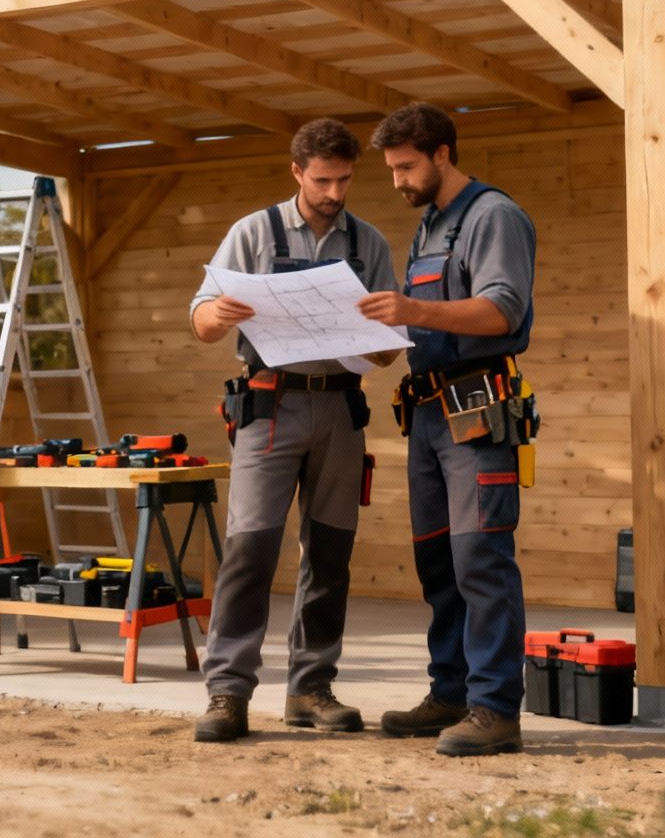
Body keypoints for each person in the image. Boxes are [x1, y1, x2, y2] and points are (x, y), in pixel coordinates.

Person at [188, 118, 397, 744]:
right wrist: (216, 313)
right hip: (268, 408)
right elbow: (201, 321)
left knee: (330, 556)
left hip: (341, 409)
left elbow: (388, 354)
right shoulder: (252, 233)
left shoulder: (369, 243)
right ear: (297, 173)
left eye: (345, 180)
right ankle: (227, 692)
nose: (335, 192)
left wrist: (379, 333)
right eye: (323, 180)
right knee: (250, 550)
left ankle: (310, 688)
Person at [356, 102, 537, 758]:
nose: (399, 181)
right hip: (427, 414)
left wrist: (411, 308)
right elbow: (421, 321)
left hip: (477, 409)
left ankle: (495, 708)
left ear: (441, 154)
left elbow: (499, 311)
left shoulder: (494, 217)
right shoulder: (431, 225)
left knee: (479, 558)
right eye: (393, 170)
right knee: (438, 561)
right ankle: (451, 691)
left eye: (406, 167)